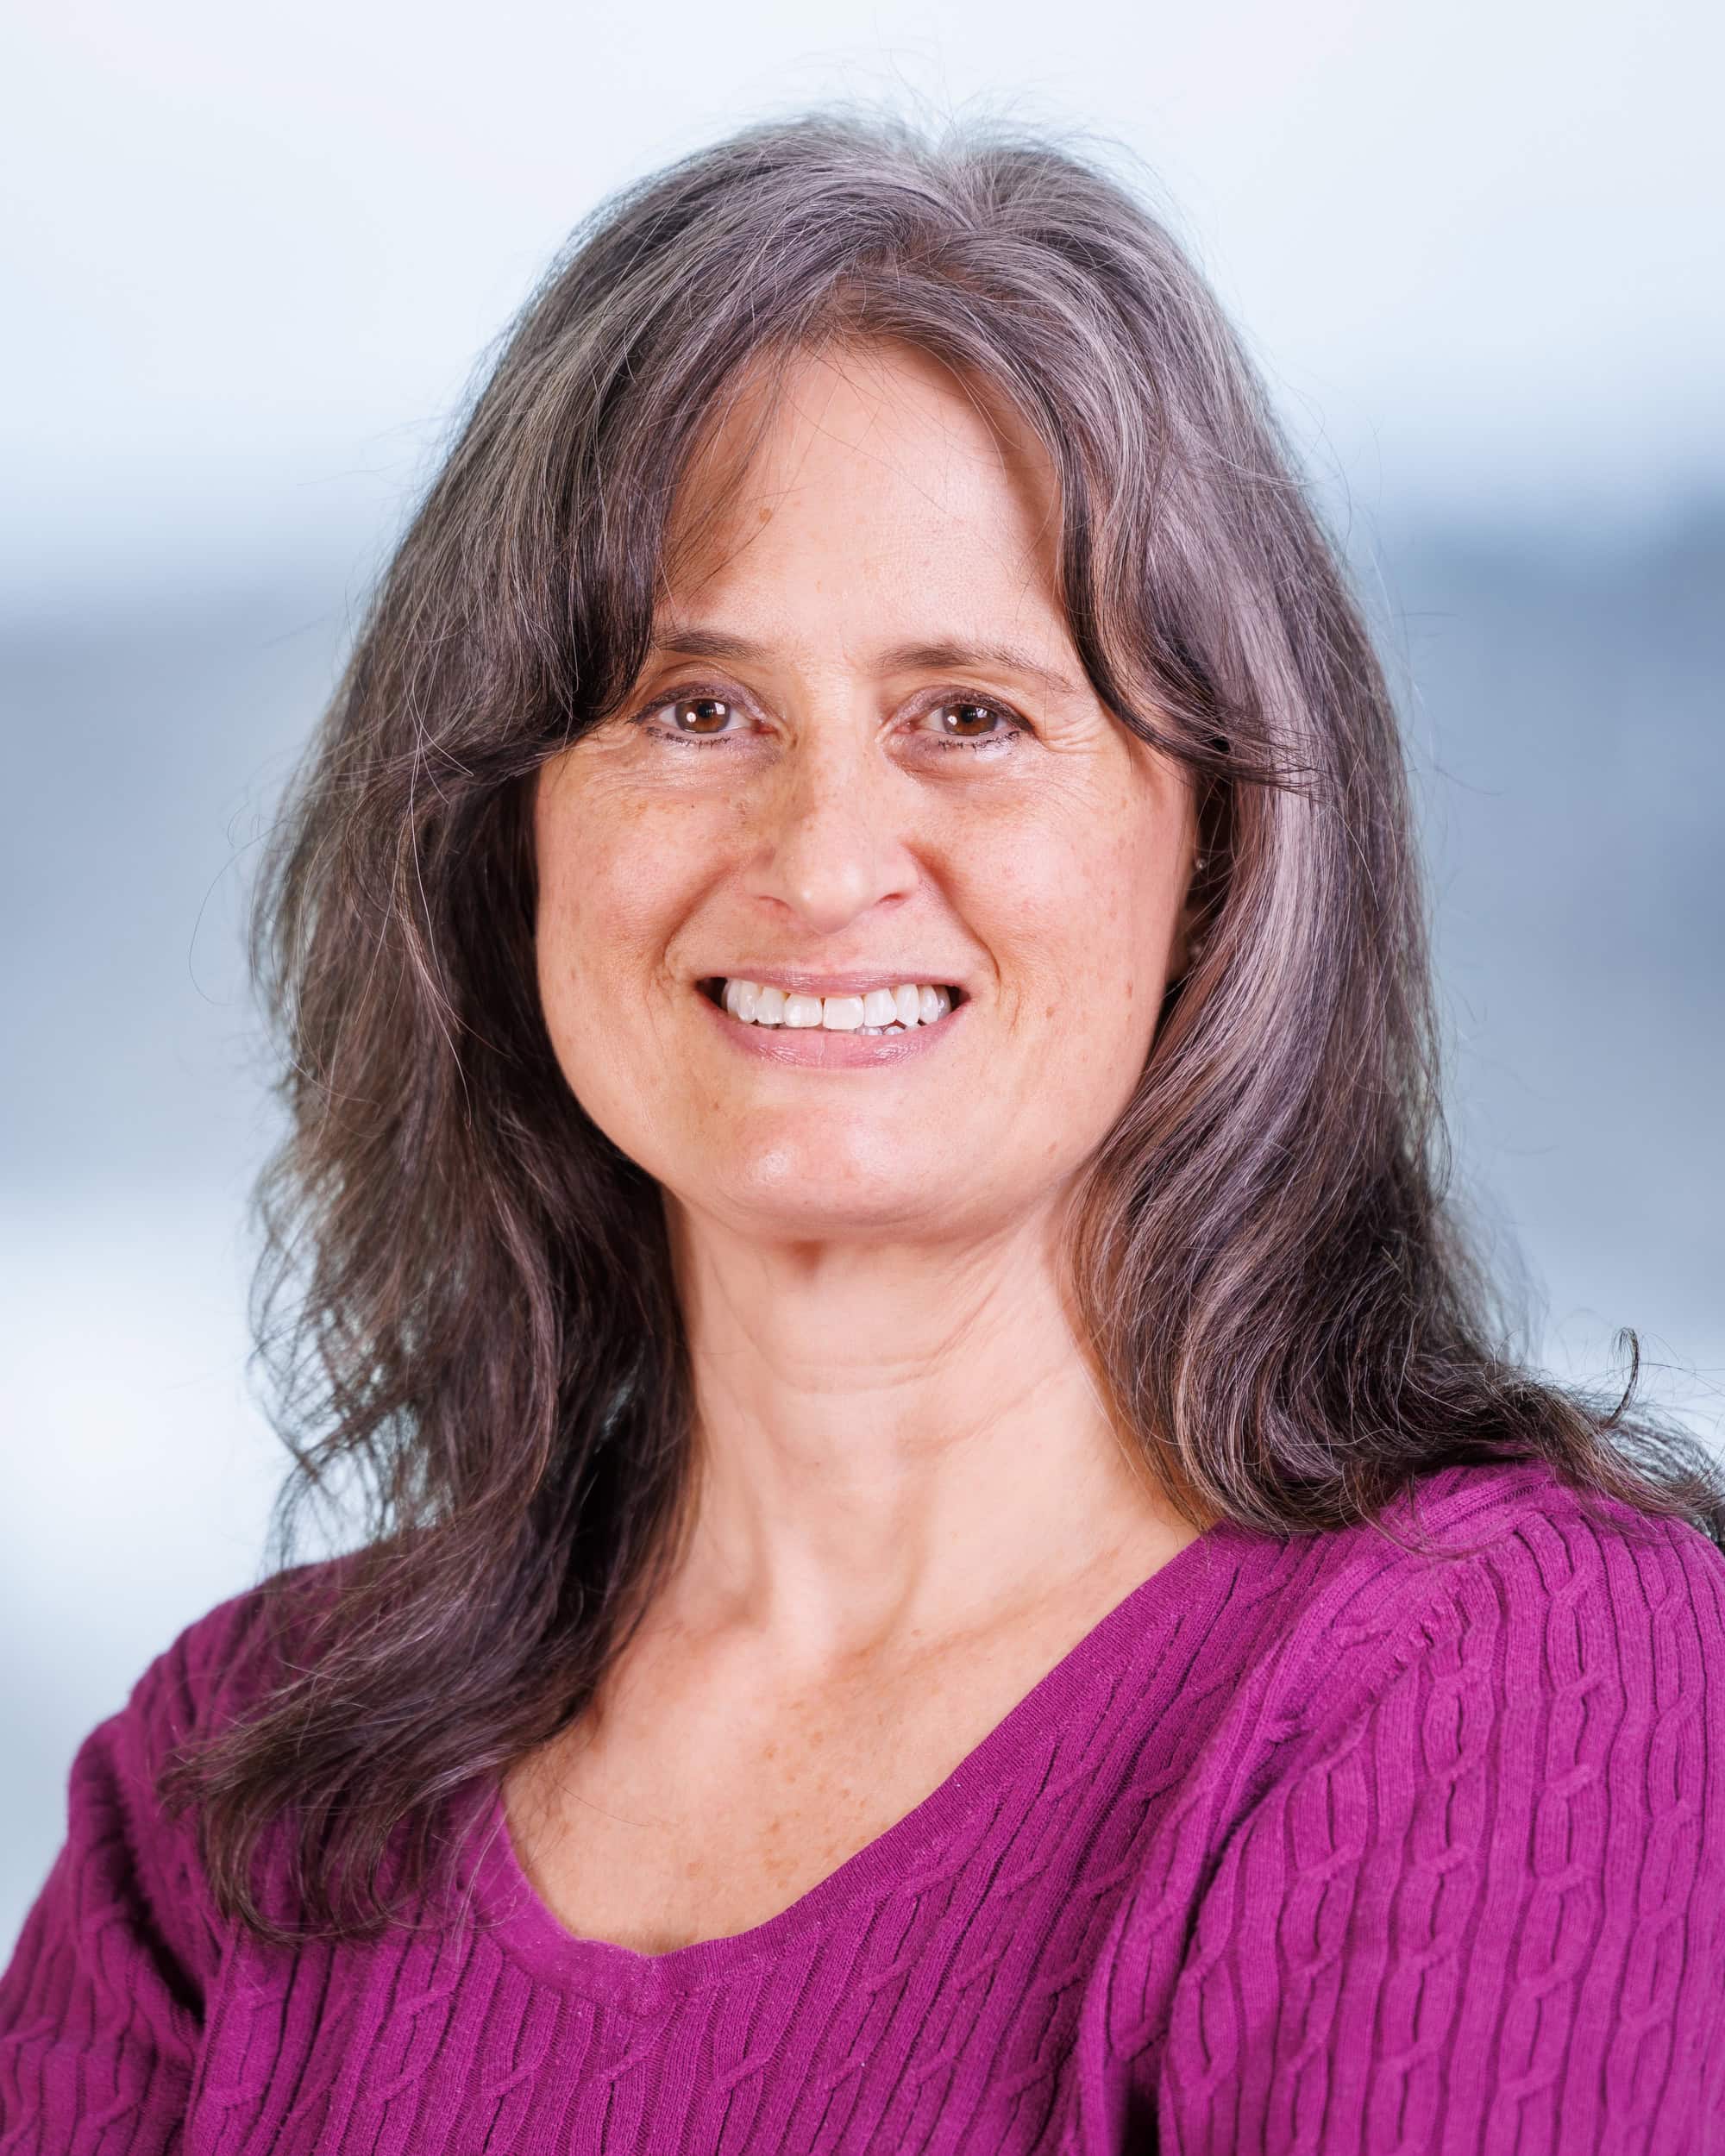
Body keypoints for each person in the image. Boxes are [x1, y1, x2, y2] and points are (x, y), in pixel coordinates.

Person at [3, 103, 1722, 2156]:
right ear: (507, 833)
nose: (821, 859)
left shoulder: (1496, 1688)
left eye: (971, 714)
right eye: (694, 708)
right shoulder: (232, 1793)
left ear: (1217, 854)